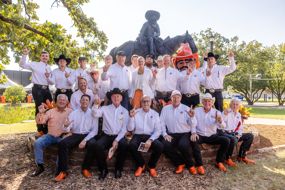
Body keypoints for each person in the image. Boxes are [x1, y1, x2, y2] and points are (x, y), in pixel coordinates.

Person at [55, 94, 98, 182]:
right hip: (76, 134)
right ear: (80, 101)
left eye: (86, 100)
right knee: (62, 143)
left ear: (89, 102)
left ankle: (85, 168)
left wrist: (85, 140)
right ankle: (63, 171)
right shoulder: (74, 113)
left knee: (93, 144)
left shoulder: (93, 113)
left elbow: (94, 131)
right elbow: (67, 128)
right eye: (83, 100)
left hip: (88, 135)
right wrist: (65, 126)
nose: (84, 101)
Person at [160, 90, 204, 175]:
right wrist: (165, 134)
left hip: (184, 133)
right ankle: (180, 163)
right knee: (164, 145)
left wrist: (192, 117)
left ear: (181, 98)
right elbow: (161, 123)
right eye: (174, 97)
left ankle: (191, 165)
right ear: (171, 98)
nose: (176, 99)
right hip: (171, 134)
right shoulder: (165, 109)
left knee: (183, 145)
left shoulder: (186, 108)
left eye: (178, 97)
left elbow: (193, 124)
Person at [90, 88, 129, 180]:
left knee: (124, 145)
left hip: (119, 136)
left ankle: (118, 169)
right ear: (111, 98)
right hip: (107, 135)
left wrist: (116, 140)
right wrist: (96, 105)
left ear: (121, 98)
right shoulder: (104, 108)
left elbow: (124, 129)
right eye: (114, 96)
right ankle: (103, 169)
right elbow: (95, 114)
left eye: (118, 96)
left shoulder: (125, 111)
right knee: (97, 145)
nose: (116, 97)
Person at [31, 94, 72, 177]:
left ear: (67, 102)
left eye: (64, 100)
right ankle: (40, 166)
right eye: (60, 99)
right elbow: (40, 122)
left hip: (63, 137)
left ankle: (59, 170)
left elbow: (74, 126)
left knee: (63, 147)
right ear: (56, 101)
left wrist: (68, 135)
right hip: (50, 136)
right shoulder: (50, 111)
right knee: (38, 143)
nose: (61, 101)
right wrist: (40, 113)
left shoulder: (71, 112)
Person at [192, 93, 230, 172]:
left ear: (212, 103)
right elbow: (193, 123)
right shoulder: (196, 111)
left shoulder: (217, 112)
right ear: (202, 102)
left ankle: (219, 162)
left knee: (226, 140)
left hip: (212, 136)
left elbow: (223, 126)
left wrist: (220, 121)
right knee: (193, 141)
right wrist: (194, 132)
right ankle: (199, 165)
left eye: (209, 101)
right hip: (200, 135)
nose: (207, 103)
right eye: (205, 101)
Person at [19, 47, 53, 135]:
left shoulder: (49, 68)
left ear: (48, 58)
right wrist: (25, 54)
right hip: (37, 89)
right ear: (40, 57)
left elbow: (52, 82)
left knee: (50, 108)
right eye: (43, 56)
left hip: (47, 89)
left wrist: (48, 77)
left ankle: (47, 128)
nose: (45, 57)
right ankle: (40, 130)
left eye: (46, 56)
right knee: (40, 108)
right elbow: (22, 65)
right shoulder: (35, 64)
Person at [128, 95, 163, 177]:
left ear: (150, 103)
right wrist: (131, 117)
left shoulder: (155, 114)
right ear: (141, 103)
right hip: (138, 135)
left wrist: (150, 140)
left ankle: (151, 166)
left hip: (150, 135)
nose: (146, 103)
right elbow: (130, 128)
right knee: (131, 145)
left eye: (148, 101)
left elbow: (158, 130)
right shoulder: (135, 112)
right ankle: (141, 165)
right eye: (144, 101)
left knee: (160, 146)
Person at [220, 98, 255, 165]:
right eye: (233, 104)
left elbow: (240, 127)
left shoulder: (238, 114)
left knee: (250, 136)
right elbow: (221, 124)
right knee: (233, 139)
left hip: (235, 134)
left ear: (239, 106)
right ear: (230, 105)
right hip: (226, 133)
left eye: (237, 104)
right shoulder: (226, 112)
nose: (235, 106)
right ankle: (228, 158)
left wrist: (239, 134)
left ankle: (242, 156)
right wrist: (224, 115)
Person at [174, 43, 204, 108]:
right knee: (184, 115)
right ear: (188, 64)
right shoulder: (181, 73)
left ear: (195, 64)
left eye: (193, 63)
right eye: (190, 63)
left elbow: (204, 83)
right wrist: (187, 75)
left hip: (195, 97)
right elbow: (178, 84)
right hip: (184, 97)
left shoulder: (199, 73)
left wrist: (208, 76)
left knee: (195, 115)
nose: (192, 64)